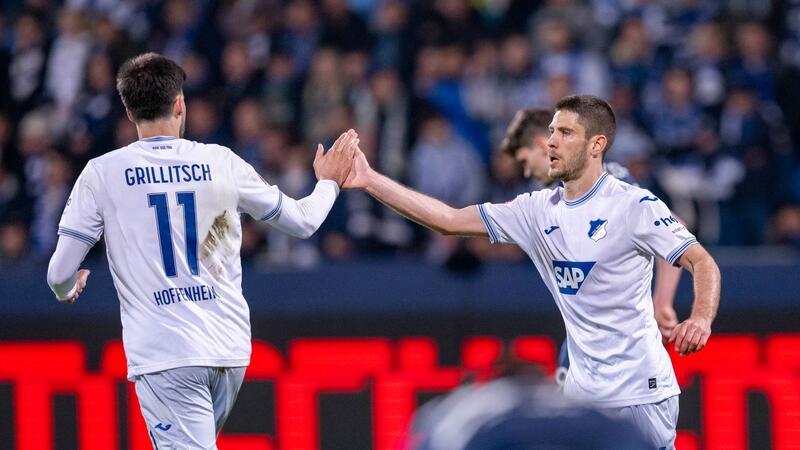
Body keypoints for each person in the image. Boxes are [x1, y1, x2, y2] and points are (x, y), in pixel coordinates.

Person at [345, 95, 721, 449]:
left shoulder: (632, 203)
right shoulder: (535, 210)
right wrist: (370, 180)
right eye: (552, 131)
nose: (552, 142)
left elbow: (700, 260)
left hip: (640, 391)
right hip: (581, 396)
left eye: (565, 133)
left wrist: (699, 318)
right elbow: (448, 219)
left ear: (596, 145)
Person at [46, 53, 358, 449]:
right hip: (229, 350)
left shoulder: (102, 173)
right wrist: (329, 183)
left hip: (167, 355)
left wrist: (66, 289)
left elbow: (59, 273)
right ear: (180, 103)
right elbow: (303, 222)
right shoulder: (220, 161)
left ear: (128, 110)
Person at [499, 108, 683, 384]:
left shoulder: (600, 186)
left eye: (525, 161)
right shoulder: (577, 188)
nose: (527, 172)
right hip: (597, 337)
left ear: (540, 146)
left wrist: (662, 302)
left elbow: (673, 227)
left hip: (615, 342)